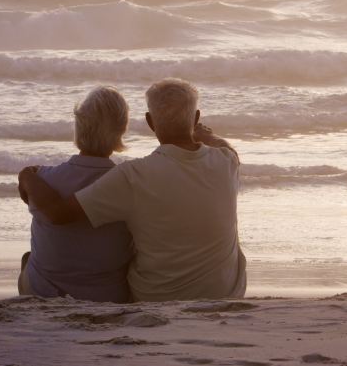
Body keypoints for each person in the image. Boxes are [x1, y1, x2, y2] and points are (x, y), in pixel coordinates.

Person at [18, 78, 246, 301]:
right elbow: (229, 149)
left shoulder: (134, 175)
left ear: (150, 122)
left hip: (158, 297)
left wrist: (27, 175)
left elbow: (59, 214)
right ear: (196, 118)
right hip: (226, 293)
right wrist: (207, 135)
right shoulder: (227, 161)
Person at [18, 86, 133, 303]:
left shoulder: (42, 178)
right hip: (108, 296)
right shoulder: (129, 183)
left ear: (79, 127)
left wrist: (27, 176)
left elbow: (28, 198)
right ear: (122, 129)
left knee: (28, 258)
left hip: (45, 294)